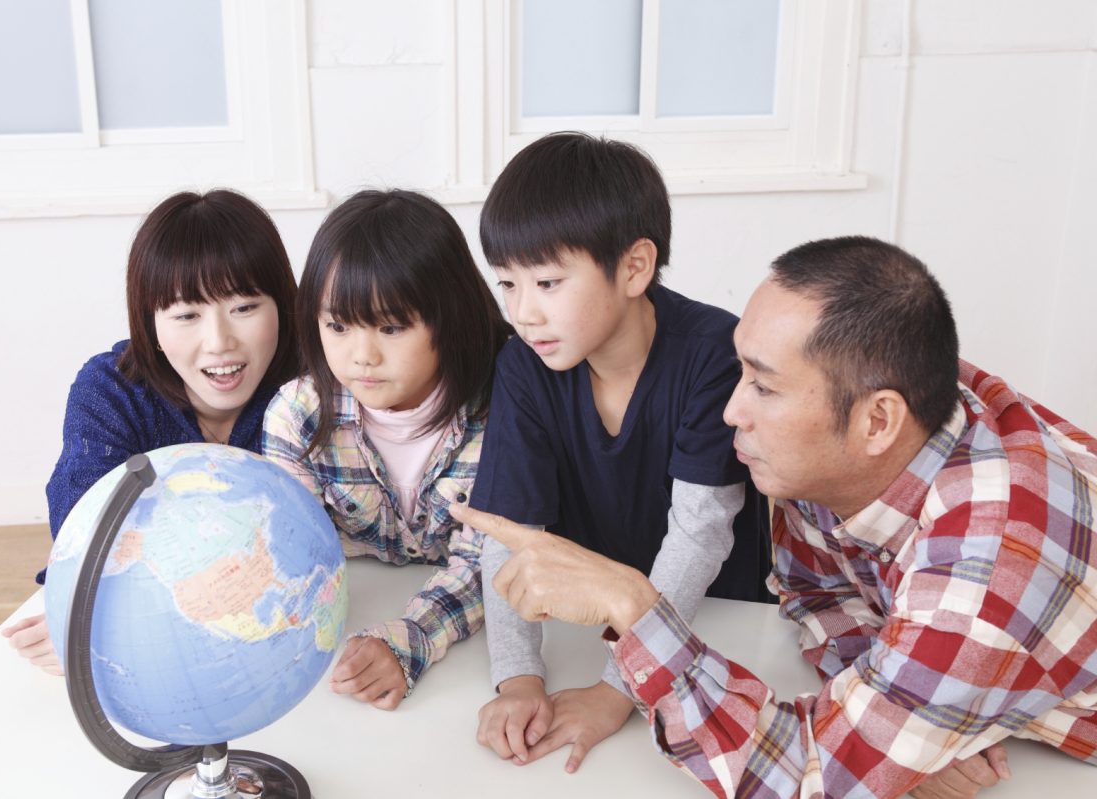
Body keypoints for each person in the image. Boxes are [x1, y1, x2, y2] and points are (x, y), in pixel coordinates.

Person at [451, 235, 1097, 799]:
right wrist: (905, 723)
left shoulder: (985, 565)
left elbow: (804, 776)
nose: (731, 411)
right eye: (741, 372)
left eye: (763, 385)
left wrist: (635, 606)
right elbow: (817, 589)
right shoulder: (873, 422)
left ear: (878, 420)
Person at [468, 132, 773, 772]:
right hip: (586, 621)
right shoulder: (524, 365)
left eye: (548, 282)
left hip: (716, 625)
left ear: (634, 267)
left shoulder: (712, 353)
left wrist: (618, 691)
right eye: (507, 284)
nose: (524, 312)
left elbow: (700, 535)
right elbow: (509, 533)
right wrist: (519, 678)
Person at [2, 189, 302, 675]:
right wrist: (82, 622)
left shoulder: (315, 384)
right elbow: (82, 522)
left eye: (245, 307)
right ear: (151, 325)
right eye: (186, 316)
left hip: (280, 637)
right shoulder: (112, 388)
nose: (219, 342)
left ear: (283, 307)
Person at [262, 189, 513, 710]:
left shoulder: (506, 408)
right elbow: (293, 557)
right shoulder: (298, 416)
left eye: (392, 327)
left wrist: (409, 638)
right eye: (337, 325)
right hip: (337, 640)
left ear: (449, 317)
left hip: (476, 664)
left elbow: (488, 561)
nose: (361, 356)